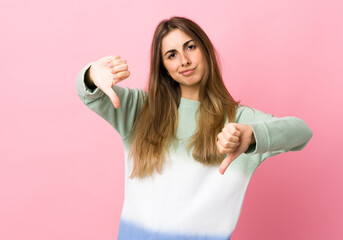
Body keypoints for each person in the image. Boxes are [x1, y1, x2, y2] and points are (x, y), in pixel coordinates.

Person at [76, 16, 312, 240]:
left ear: (205, 50)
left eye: (190, 47)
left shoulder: (238, 120)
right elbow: (89, 93)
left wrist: (251, 136)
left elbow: (302, 132)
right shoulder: (139, 109)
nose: (184, 61)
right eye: (171, 55)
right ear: (164, 67)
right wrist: (91, 74)